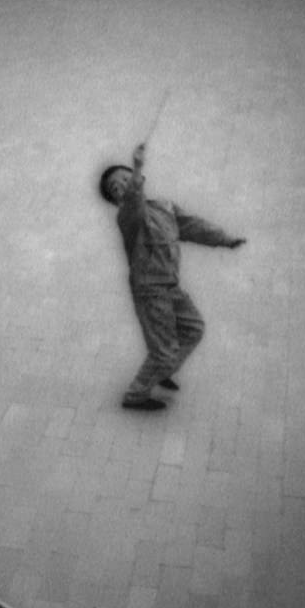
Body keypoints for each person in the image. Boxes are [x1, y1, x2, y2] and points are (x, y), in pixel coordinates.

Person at [99, 143, 245, 410]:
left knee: (193, 329)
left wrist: (224, 239)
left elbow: (192, 225)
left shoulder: (164, 207)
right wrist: (137, 167)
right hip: (150, 292)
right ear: (116, 199)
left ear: (138, 180)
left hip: (170, 286)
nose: (120, 184)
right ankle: (135, 396)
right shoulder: (128, 217)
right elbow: (134, 200)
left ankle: (163, 370)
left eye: (123, 177)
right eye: (114, 187)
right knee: (163, 352)